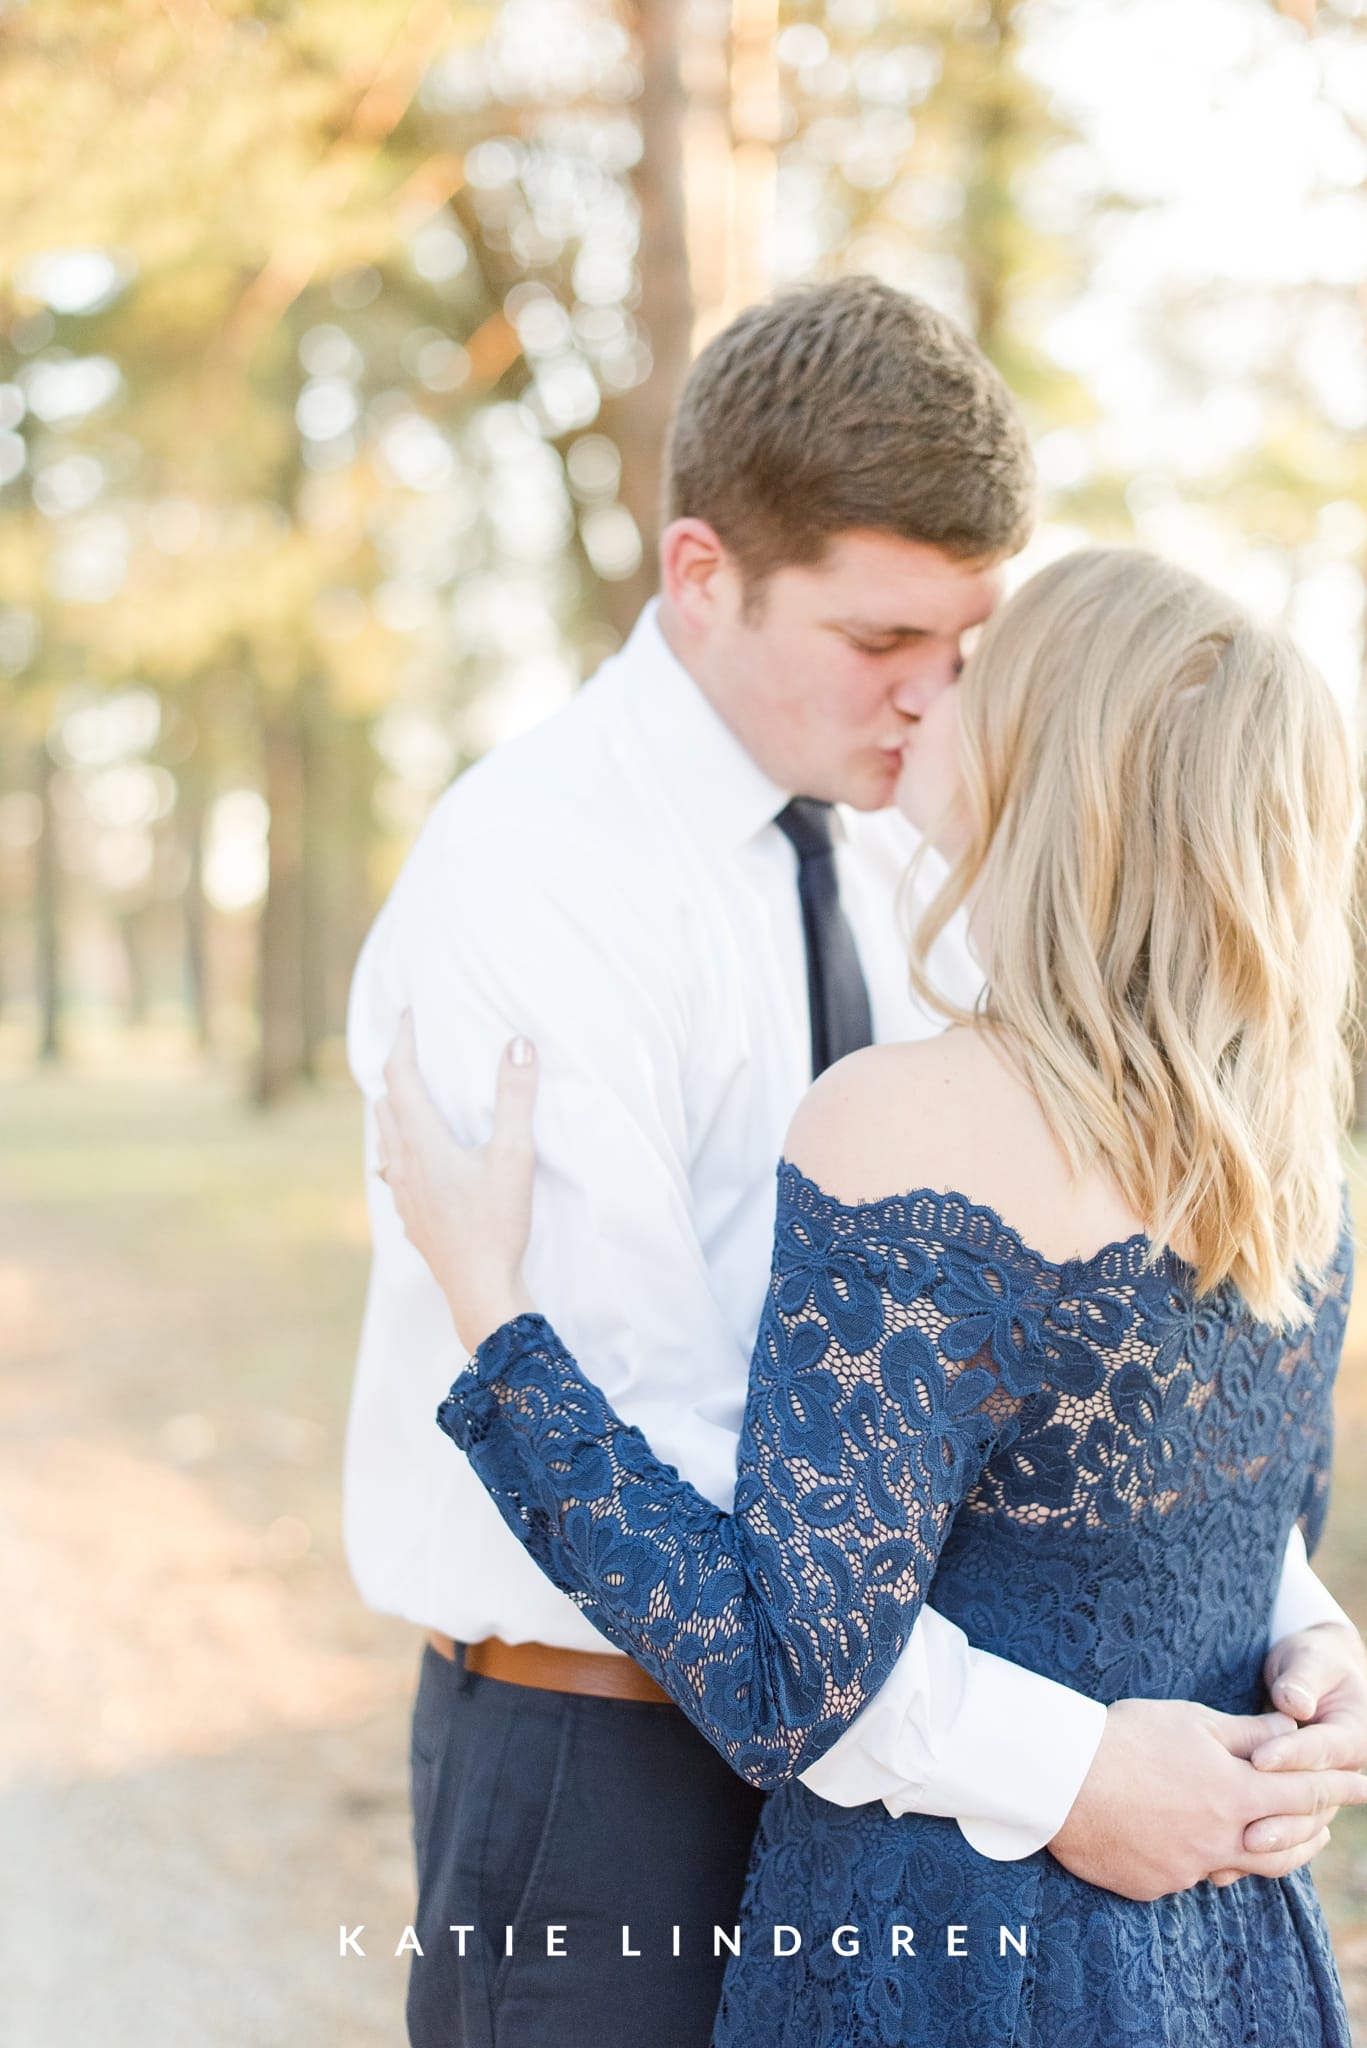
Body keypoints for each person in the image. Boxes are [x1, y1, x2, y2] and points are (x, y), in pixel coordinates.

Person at [345, 279, 1367, 2048]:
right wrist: (1065, 1770)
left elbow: (1074, 1340)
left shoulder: (940, 841)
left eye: (966, 650)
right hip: (615, 1754)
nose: (929, 698)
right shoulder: (527, 884)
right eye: (883, 640)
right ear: (700, 574)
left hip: (931, 1786)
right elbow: (674, 1450)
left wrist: (1280, 1618)